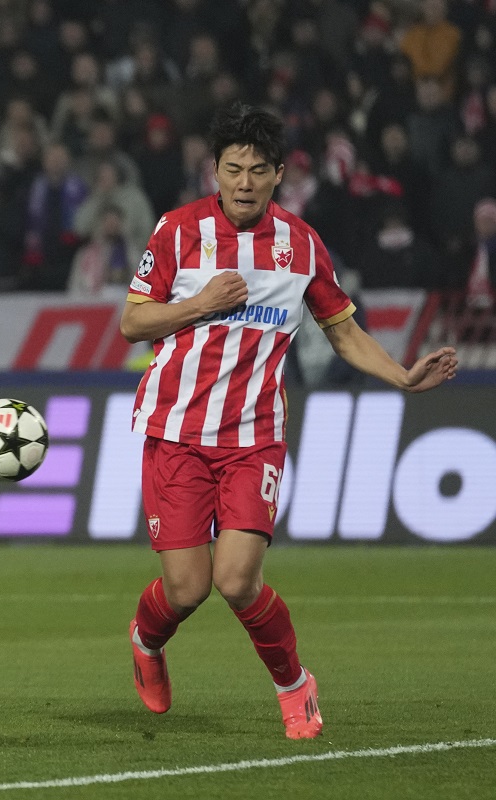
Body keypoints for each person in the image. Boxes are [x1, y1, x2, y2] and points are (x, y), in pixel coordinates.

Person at [119, 104, 457, 740]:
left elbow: (343, 332)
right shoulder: (176, 231)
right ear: (213, 171)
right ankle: (146, 640)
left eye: (258, 171)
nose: (244, 182)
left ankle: (294, 684)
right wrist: (199, 304)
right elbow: (133, 321)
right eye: (232, 169)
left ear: (279, 175)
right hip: (175, 432)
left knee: (238, 580)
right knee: (187, 590)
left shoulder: (301, 245)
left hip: (254, 438)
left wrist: (403, 376)